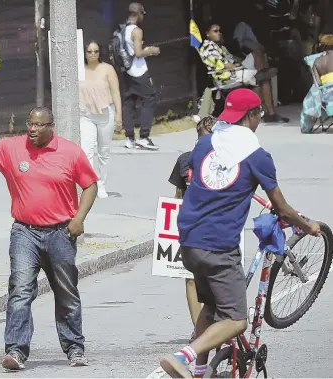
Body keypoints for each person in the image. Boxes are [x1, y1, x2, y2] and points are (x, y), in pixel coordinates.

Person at [159, 88, 320, 379]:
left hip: (189, 239)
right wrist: (307, 225)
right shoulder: (258, 156)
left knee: (210, 307)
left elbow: (207, 182)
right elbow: (281, 208)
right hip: (218, 245)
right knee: (235, 320)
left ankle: (198, 372)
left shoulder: (203, 145)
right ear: (252, 116)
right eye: (259, 114)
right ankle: (183, 356)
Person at [0, 104, 98, 370]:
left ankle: (74, 348)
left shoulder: (71, 152)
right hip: (24, 231)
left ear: (51, 127)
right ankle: (16, 350)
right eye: (30, 123)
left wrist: (78, 219)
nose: (33, 129)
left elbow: (89, 185)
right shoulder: (11, 148)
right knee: (20, 290)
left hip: (60, 233)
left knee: (66, 293)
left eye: (39, 125)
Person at [168, 116, 216, 344]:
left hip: (217, 225)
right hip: (190, 226)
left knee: (215, 277)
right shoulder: (185, 160)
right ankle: (199, 329)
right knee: (190, 279)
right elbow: (178, 196)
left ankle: (216, 322)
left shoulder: (224, 161)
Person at [199, 22, 289, 123]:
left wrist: (238, 64)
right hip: (228, 77)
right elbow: (222, 65)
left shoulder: (218, 46)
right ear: (207, 33)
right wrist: (237, 66)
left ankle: (267, 112)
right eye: (215, 31)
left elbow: (231, 60)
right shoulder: (208, 48)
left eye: (219, 31)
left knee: (258, 62)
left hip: (236, 72)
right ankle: (270, 113)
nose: (219, 33)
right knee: (263, 78)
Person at [79, 40, 122, 199]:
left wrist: (119, 115)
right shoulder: (80, 69)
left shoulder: (107, 69)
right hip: (86, 115)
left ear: (100, 53)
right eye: (89, 51)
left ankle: (102, 184)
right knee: (86, 150)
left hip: (105, 113)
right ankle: (90, 185)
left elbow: (116, 92)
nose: (92, 54)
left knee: (103, 151)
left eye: (95, 51)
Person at [122, 2, 160, 150]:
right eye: (143, 14)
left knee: (129, 103)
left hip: (126, 70)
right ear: (138, 13)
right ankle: (144, 137)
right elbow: (138, 53)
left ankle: (129, 138)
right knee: (149, 99)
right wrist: (151, 50)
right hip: (139, 70)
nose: (143, 16)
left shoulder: (122, 30)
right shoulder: (137, 31)